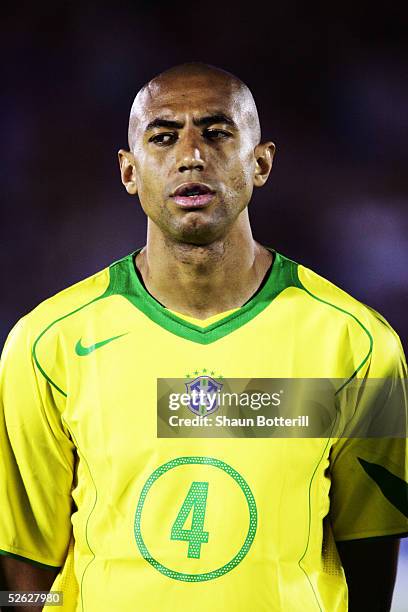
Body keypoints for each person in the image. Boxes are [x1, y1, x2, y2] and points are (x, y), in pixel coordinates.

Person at [0, 62, 406, 612]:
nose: (192, 155)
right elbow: (25, 565)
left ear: (260, 162)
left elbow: (372, 555)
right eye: (163, 137)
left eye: (217, 133)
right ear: (129, 171)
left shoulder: (356, 344)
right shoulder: (47, 345)